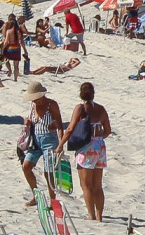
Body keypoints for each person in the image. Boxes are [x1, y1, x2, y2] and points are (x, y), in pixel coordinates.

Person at [66, 81, 112, 222]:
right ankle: (99, 216)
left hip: (86, 147)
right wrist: (98, 139)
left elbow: (70, 128)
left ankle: (91, 215)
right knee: (98, 185)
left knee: (86, 185)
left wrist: (60, 145)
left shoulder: (80, 108)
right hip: (100, 145)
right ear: (93, 94)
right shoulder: (101, 109)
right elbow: (108, 130)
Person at [18, 80, 63, 205]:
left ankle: (53, 200)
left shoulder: (51, 105)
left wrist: (61, 144)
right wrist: (27, 122)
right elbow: (32, 121)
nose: (34, 101)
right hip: (35, 141)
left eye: (36, 98)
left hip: (50, 140)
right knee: (26, 166)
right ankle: (36, 195)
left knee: (48, 172)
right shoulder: (32, 105)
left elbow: (60, 125)